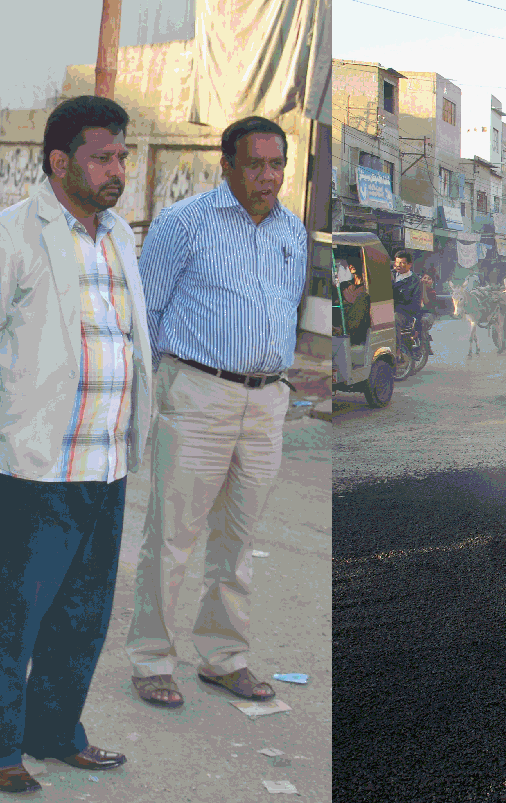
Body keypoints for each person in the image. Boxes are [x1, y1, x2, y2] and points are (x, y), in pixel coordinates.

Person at [0, 95, 149, 793]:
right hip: (31, 467)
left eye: (122, 156)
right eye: (102, 157)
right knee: (13, 616)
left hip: (105, 461)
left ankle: (55, 731)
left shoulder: (119, 236)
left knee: (83, 615)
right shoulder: (9, 235)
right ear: (60, 161)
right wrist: (18, 414)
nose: (117, 169)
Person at [125, 116, 306, 709]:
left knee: (239, 538)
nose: (267, 176)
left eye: (276, 165)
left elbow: (286, 308)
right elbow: (146, 316)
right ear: (226, 166)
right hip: (199, 394)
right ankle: (152, 659)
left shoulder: (293, 230)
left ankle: (224, 658)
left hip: (267, 400)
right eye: (254, 165)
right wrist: (150, 397)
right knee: (172, 536)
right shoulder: (184, 224)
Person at [392, 249, 433, 352]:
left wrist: (417, 327)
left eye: (402, 263)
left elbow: (416, 305)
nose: (398, 265)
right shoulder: (391, 275)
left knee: (394, 319)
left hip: (404, 314)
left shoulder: (415, 281)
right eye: (397, 262)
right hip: (388, 308)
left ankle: (397, 351)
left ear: (410, 265)